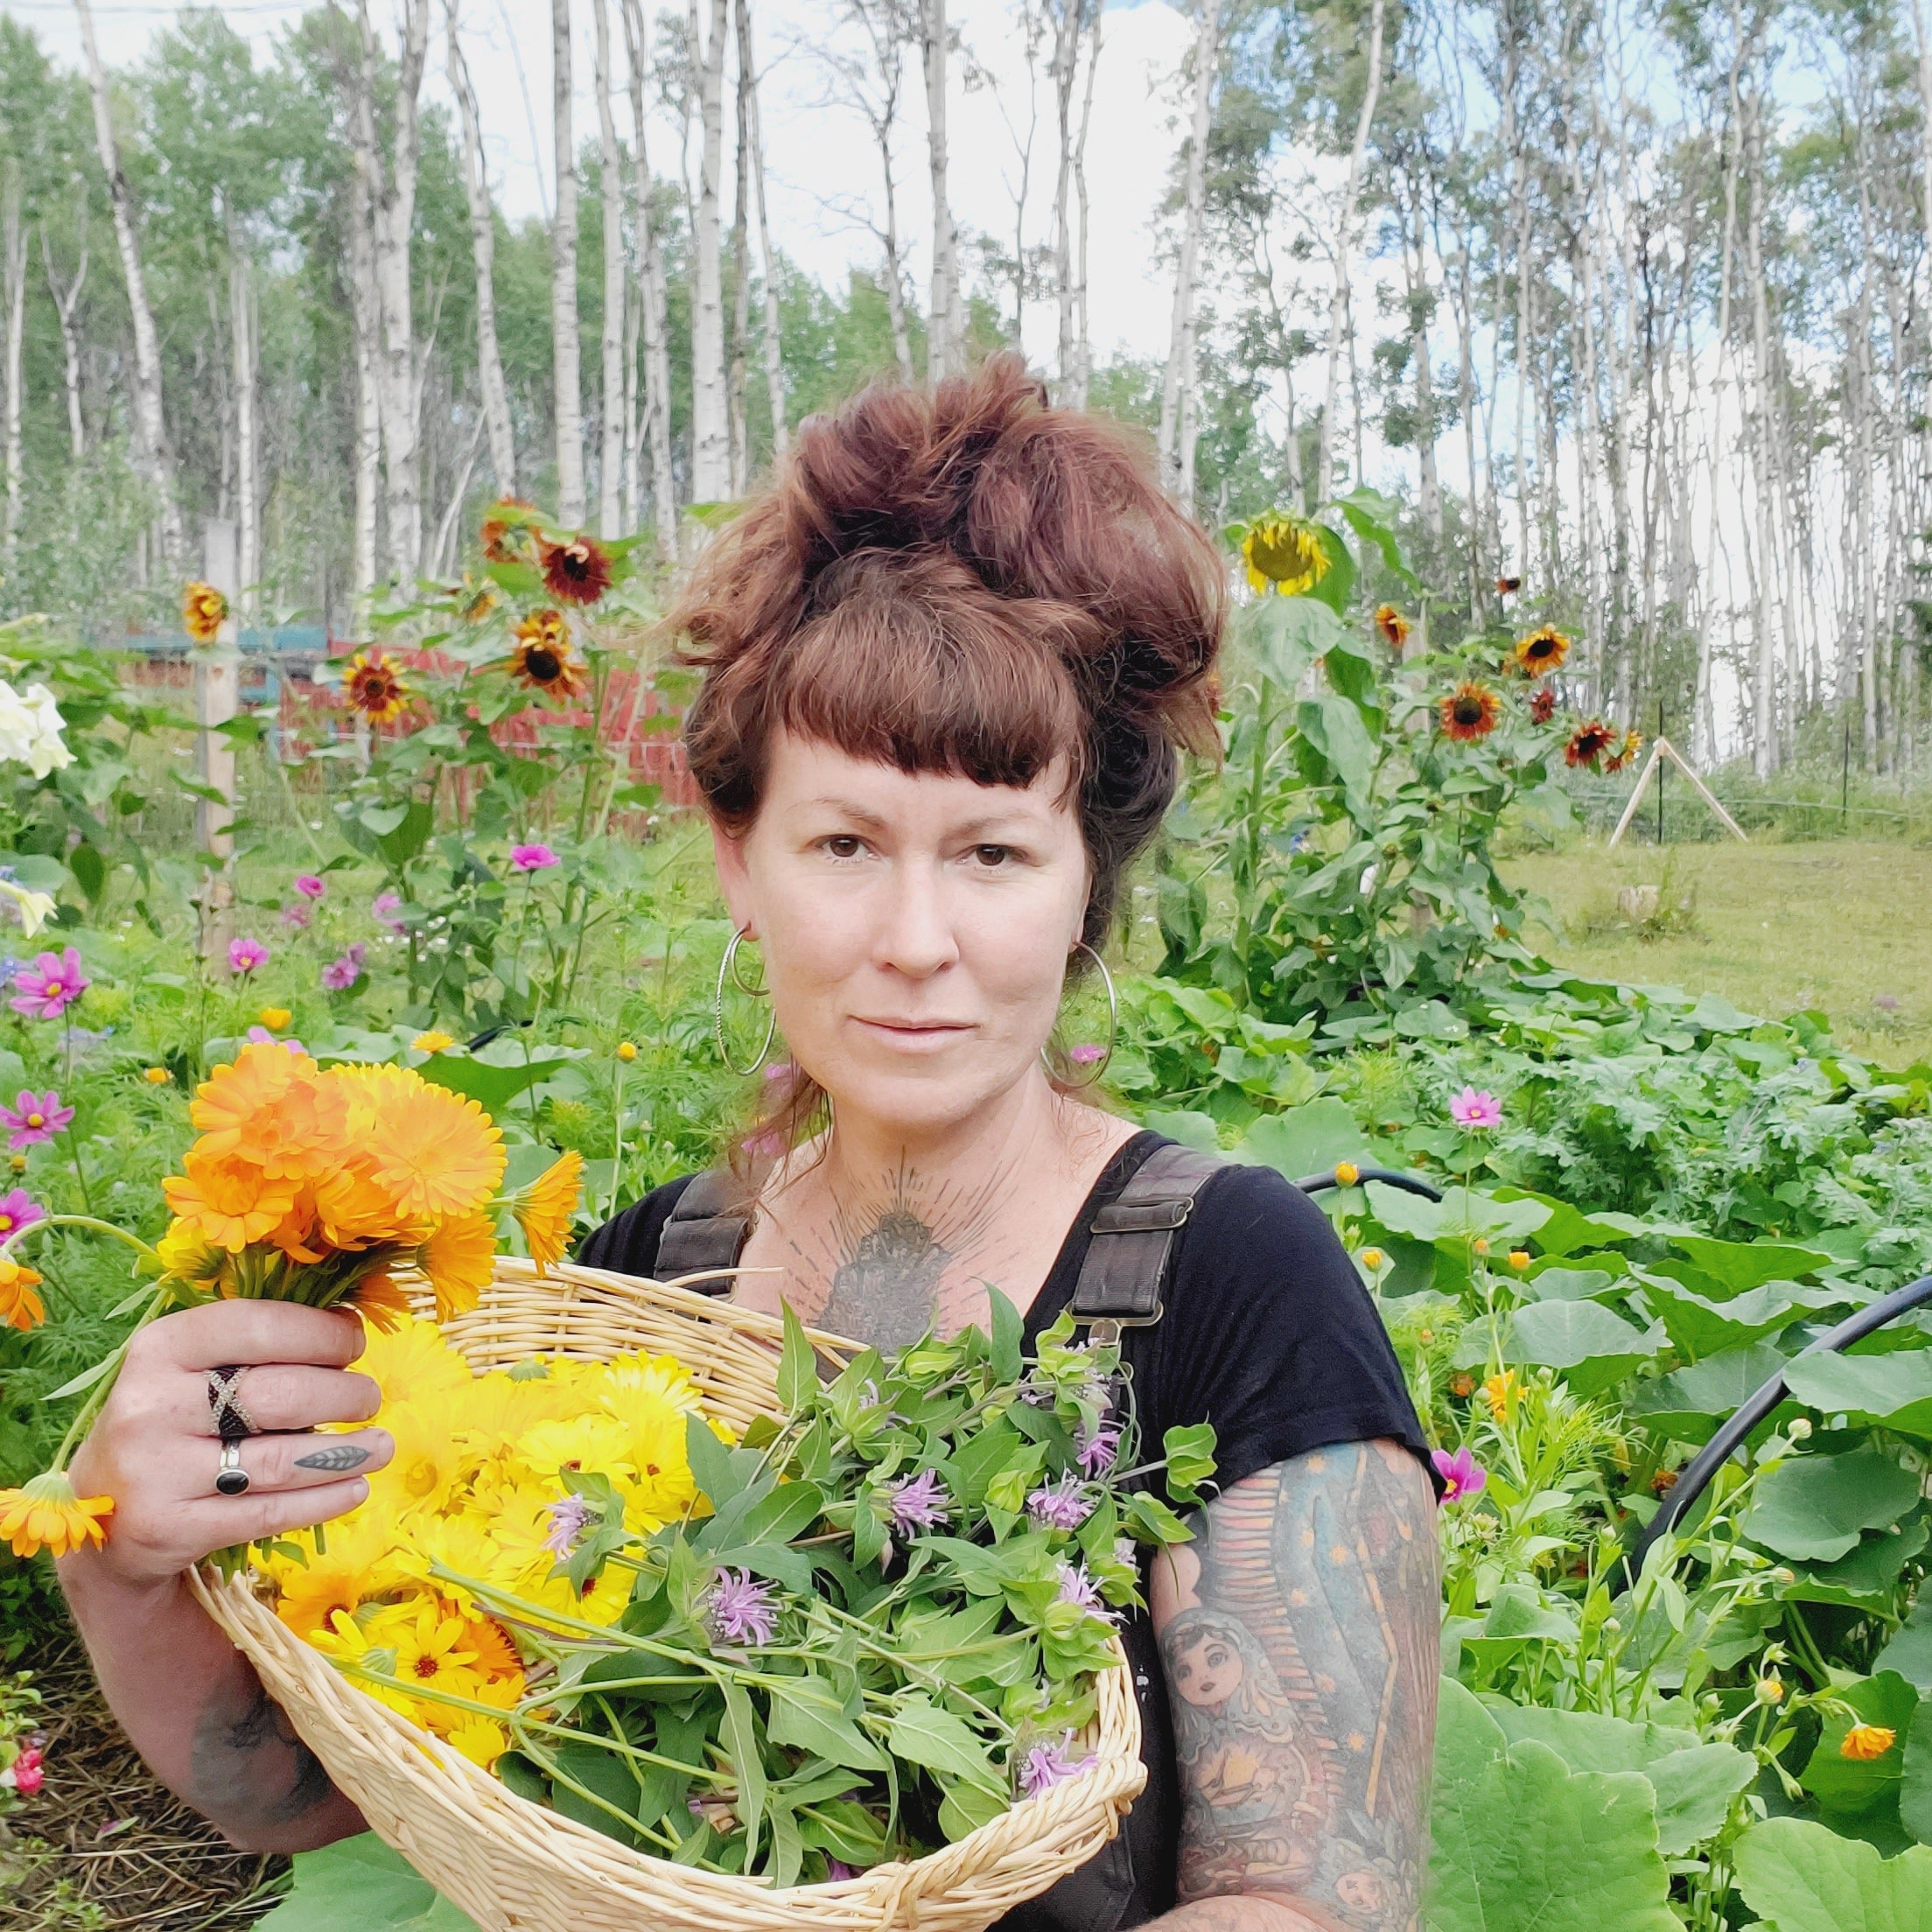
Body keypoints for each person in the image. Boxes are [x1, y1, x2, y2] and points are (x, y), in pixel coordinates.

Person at [53, 358, 1440, 1932]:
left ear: (1083, 886)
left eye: (992, 851)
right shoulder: (658, 1276)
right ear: (739, 861)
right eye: (844, 843)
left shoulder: (1236, 1280)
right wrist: (128, 1559)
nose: (915, 939)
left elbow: (1312, 1900)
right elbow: (322, 1792)